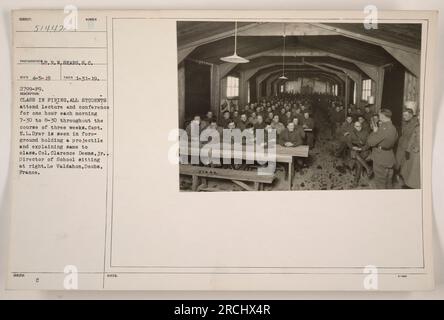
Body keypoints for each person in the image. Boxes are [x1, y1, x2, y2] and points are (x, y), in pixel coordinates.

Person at [367, 109, 399, 189]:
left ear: (383, 116)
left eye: (379, 115)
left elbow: (370, 142)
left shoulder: (383, 128)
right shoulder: (393, 127)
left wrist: (374, 132)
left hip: (380, 158)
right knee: (389, 181)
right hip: (390, 157)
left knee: (380, 182)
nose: (378, 117)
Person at [346, 121, 372, 186]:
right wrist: (352, 147)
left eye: (360, 126)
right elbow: (348, 142)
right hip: (356, 150)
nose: (359, 127)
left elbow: (369, 144)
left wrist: (361, 149)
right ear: (354, 126)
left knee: (358, 162)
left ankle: (356, 180)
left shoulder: (366, 133)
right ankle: (368, 168)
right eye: (357, 126)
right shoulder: (352, 133)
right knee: (357, 158)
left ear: (361, 125)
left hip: (365, 150)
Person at [396, 108, 419, 172]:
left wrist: (408, 149)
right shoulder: (406, 122)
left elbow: (413, 138)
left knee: (404, 164)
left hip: (407, 147)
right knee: (398, 162)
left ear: (411, 115)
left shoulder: (415, 124)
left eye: (405, 115)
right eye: (403, 115)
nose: (404, 117)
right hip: (401, 145)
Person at [400, 124, 420, 188]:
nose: (418, 118)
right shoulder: (417, 127)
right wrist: (408, 149)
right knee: (409, 170)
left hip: (418, 153)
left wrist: (419, 147)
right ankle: (408, 184)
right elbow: (412, 138)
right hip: (413, 151)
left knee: (415, 172)